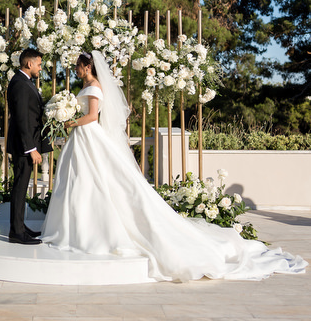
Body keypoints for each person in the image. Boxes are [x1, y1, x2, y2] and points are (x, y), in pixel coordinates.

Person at [41, 50, 307, 281]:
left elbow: (91, 116)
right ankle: (76, 228)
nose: (75, 70)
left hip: (89, 136)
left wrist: (69, 122)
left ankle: (89, 232)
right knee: (81, 182)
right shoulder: (87, 86)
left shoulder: (95, 87)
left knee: (94, 181)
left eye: (77, 66)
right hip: (82, 140)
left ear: (87, 67)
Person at [7, 48, 52, 245]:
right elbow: (22, 119)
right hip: (23, 146)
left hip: (25, 144)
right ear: (29, 63)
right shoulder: (20, 85)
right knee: (19, 187)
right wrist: (31, 148)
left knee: (22, 186)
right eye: (39, 64)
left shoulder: (24, 82)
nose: (40, 68)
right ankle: (16, 233)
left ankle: (20, 226)